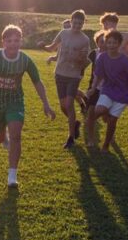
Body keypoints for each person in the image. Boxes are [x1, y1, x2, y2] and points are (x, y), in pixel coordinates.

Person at [0, 24, 55, 188]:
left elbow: (37, 82)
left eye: (16, 40)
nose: (13, 44)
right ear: (3, 42)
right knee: (0, 138)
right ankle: (4, 138)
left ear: (21, 42)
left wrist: (46, 104)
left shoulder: (25, 60)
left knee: (16, 135)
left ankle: (12, 176)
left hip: (15, 101)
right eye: (9, 41)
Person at [38, 10, 91, 149]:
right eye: (75, 22)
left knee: (69, 104)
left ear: (83, 23)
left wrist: (80, 59)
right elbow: (52, 48)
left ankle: (71, 137)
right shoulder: (63, 33)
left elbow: (86, 61)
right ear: (71, 21)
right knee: (63, 106)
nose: (77, 25)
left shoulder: (85, 39)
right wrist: (43, 46)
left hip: (74, 75)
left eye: (80, 23)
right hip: (60, 73)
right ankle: (75, 124)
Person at [95, 12, 128, 143]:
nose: (109, 25)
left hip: (124, 77)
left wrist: (126, 51)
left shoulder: (126, 36)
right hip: (108, 80)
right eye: (106, 23)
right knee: (105, 110)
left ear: (116, 24)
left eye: (112, 23)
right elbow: (98, 56)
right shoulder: (102, 38)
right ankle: (111, 134)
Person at [85, 30, 128, 152]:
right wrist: (93, 88)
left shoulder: (125, 60)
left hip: (122, 94)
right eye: (108, 42)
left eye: (114, 43)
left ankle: (105, 145)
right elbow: (98, 75)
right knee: (99, 110)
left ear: (119, 44)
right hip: (107, 90)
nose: (111, 45)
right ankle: (91, 130)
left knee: (112, 121)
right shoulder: (102, 57)